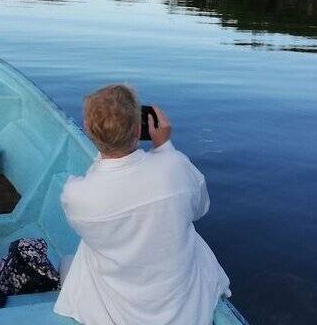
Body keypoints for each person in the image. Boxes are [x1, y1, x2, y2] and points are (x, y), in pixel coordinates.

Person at [54, 84, 230, 325]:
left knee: (68, 262)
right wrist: (165, 147)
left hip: (114, 312)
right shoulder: (175, 167)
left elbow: (105, 186)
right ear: (139, 129)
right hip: (186, 309)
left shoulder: (75, 195)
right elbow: (201, 209)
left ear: (87, 129)